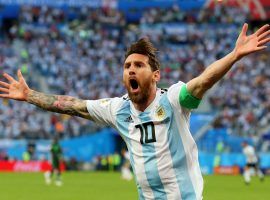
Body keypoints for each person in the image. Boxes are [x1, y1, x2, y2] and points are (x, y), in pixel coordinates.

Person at [0, 23, 269, 199]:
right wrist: (29, 95)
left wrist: (234, 55)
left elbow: (203, 81)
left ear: (155, 75)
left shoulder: (173, 100)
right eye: (127, 65)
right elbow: (73, 105)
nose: (131, 69)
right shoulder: (117, 109)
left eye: (139, 65)